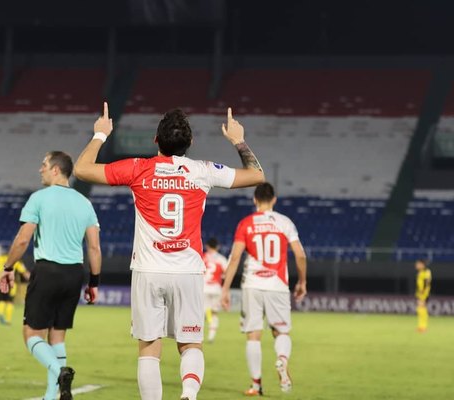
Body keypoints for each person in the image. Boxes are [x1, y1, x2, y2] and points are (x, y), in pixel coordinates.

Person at [75, 102, 265, 400]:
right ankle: (188, 394)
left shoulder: (137, 168)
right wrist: (238, 140)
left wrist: (100, 135)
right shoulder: (202, 171)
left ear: (155, 141)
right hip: (187, 270)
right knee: (190, 345)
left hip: (148, 271)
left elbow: (81, 169)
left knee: (149, 348)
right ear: (190, 143)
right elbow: (256, 176)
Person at [0, 151, 102, 400]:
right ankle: (50, 395)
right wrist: (94, 282)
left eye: (44, 165)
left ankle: (59, 372)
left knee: (32, 335)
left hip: (47, 271)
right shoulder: (84, 203)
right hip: (74, 274)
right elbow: (94, 247)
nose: (40, 169)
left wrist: (9, 267)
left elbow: (23, 239)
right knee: (57, 335)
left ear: (56, 170)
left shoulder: (39, 199)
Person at [221, 183, 307, 396]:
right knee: (281, 331)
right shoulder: (284, 222)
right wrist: (302, 282)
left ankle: (256, 385)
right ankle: (282, 360)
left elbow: (234, 259)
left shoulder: (246, 224)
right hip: (277, 285)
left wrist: (225, 289)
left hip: (252, 285)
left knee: (253, 335)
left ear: (254, 200)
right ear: (274, 200)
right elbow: (300, 255)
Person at [0, 253, 30, 325]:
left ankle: (0, 315)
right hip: (12, 283)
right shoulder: (17, 261)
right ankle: (8, 320)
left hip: (1, 281)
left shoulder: (0, 258)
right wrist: (32, 280)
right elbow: (24, 272)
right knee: (10, 301)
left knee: (2, 299)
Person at [202, 237, 228, 343]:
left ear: (207, 246)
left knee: (203, 312)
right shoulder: (221, 259)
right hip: (216, 289)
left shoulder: (203, 257)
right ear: (217, 247)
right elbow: (226, 274)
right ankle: (211, 336)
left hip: (204, 288)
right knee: (214, 313)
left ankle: (200, 336)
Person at [415, 259, 431, 333]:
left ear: (422, 264)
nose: (416, 265)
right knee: (420, 309)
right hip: (420, 293)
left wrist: (423, 291)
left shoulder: (426, 272)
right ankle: (421, 327)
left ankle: (424, 327)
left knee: (421, 309)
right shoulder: (420, 272)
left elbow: (426, 282)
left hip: (424, 294)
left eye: (418, 264)